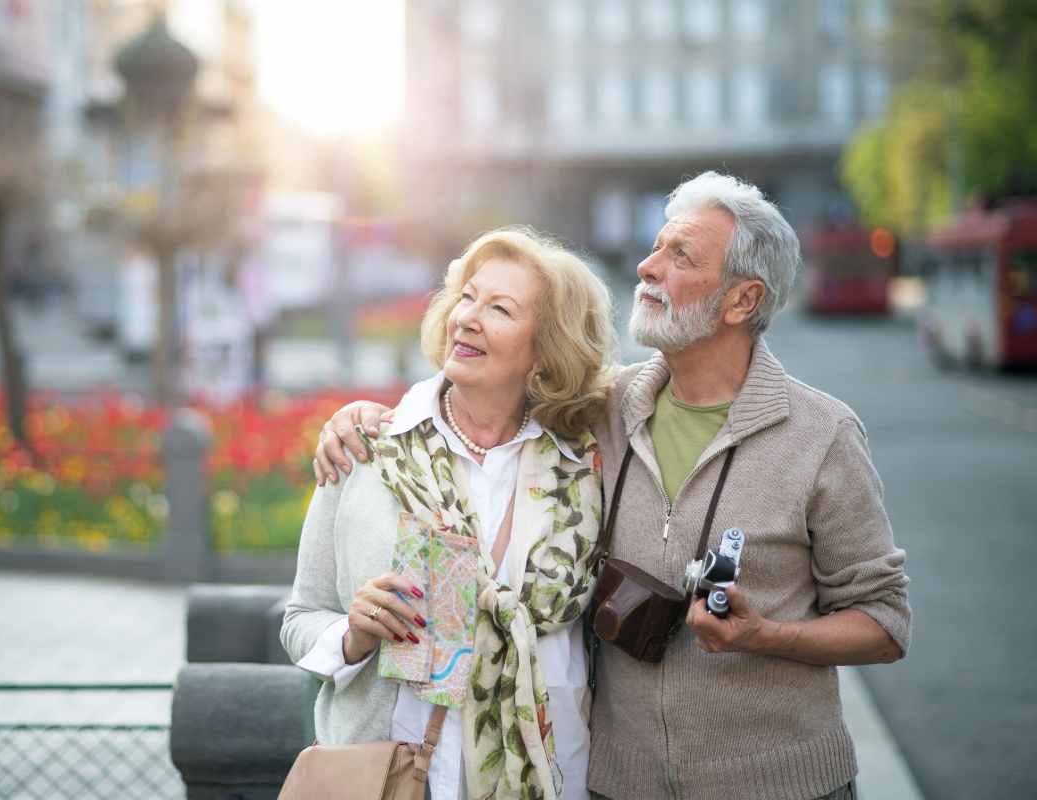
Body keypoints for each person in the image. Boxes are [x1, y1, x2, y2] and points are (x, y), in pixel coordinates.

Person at [313, 172, 911, 800]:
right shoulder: (601, 410)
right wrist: (361, 417)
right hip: (622, 785)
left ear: (741, 301)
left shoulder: (822, 435)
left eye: (680, 256)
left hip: (781, 787)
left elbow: (885, 622)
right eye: (657, 246)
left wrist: (767, 636)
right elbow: (481, 403)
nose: (648, 267)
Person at [282, 227, 618, 800]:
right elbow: (300, 617)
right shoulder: (368, 451)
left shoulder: (586, 467)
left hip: (553, 773)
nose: (468, 317)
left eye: (499, 308)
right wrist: (353, 635)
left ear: (545, 348)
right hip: (399, 775)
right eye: (467, 297)